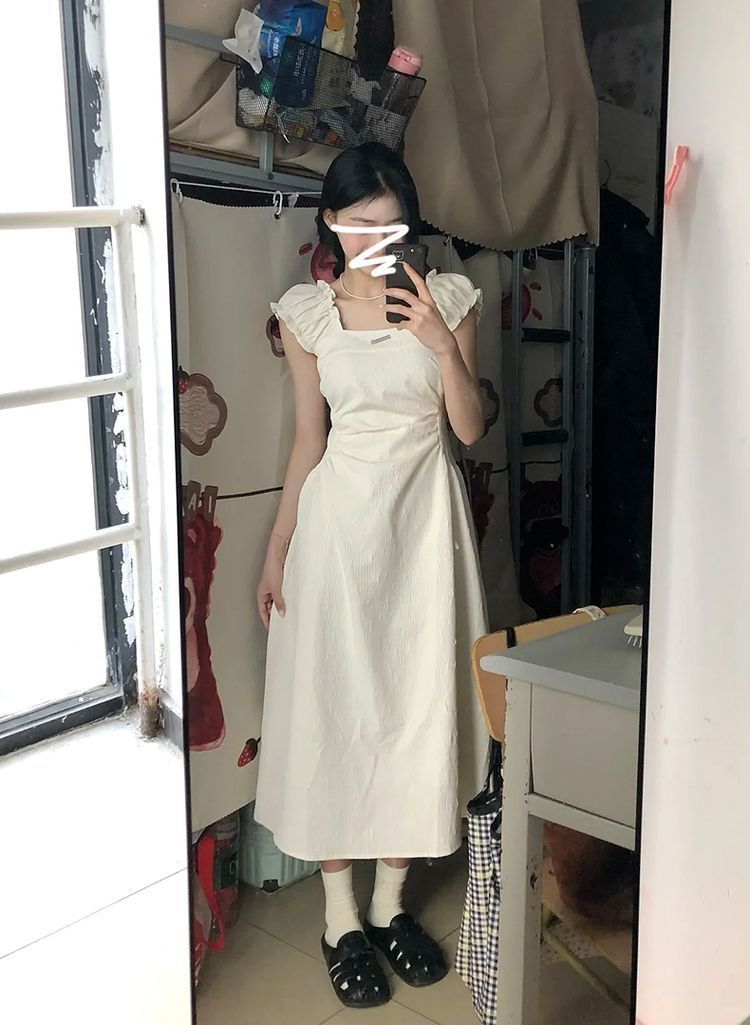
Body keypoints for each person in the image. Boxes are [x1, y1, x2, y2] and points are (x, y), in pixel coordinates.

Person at [254, 141, 489, 1010]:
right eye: (361, 224)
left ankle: (391, 905)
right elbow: (308, 440)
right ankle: (339, 920)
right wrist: (278, 545)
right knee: (337, 713)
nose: (377, 239)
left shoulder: (450, 298)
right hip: (338, 536)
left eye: (393, 225)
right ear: (330, 221)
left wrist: (441, 344)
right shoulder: (307, 317)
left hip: (425, 530)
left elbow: (469, 428)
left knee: (415, 709)